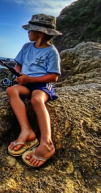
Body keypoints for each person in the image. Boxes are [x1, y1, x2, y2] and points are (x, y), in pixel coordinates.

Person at [6, 14, 62, 168]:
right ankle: (27, 131)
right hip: (26, 83)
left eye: (30, 30)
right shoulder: (26, 47)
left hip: (42, 84)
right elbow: (18, 65)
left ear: (40, 33)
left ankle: (47, 142)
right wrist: (19, 75)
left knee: (36, 99)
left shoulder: (52, 52)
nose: (28, 32)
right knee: (12, 91)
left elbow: (53, 77)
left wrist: (31, 80)